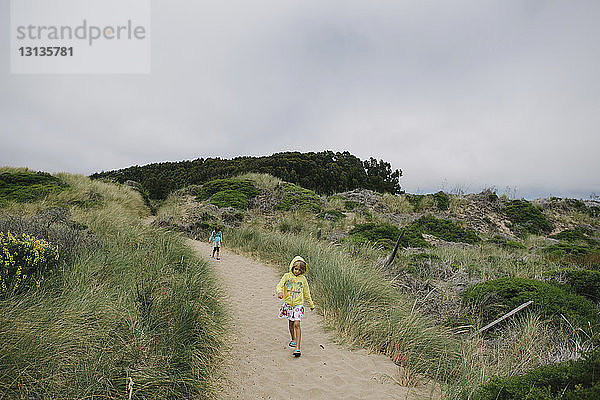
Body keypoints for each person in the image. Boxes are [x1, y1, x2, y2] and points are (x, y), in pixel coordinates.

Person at [276, 256, 315, 357]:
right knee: (291, 323)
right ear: (292, 267)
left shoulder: (303, 279)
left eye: (299, 270)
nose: (297, 271)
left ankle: (297, 348)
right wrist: (279, 292)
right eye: (295, 268)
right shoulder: (287, 276)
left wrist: (311, 304)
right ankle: (293, 338)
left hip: (298, 305)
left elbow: (306, 293)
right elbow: (279, 285)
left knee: (297, 323)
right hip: (288, 305)